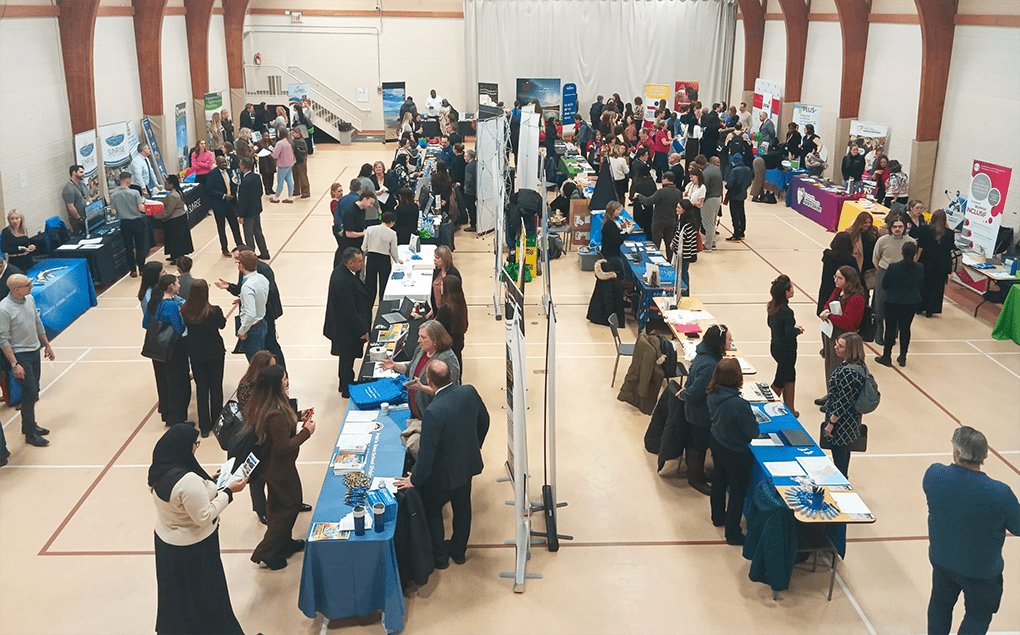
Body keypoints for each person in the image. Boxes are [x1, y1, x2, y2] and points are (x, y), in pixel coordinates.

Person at [149, 424, 247, 635]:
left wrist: (212, 483)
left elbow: (190, 499)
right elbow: (203, 516)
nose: (196, 448)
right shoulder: (189, 481)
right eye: (195, 444)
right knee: (209, 599)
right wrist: (228, 492)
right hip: (195, 549)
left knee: (180, 601)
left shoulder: (161, 470)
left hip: (168, 545)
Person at [924, 426, 1020, 635]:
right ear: (985, 456)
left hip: (943, 561)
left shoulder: (934, 475)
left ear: (956, 453)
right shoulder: (1000, 493)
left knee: (940, 605)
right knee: (977, 616)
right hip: (982, 572)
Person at [395, 359, 488, 568]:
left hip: (442, 476)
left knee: (434, 509)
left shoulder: (434, 412)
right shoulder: (469, 392)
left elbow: (427, 454)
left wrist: (415, 479)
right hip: (466, 467)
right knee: (463, 508)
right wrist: (474, 446)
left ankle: (440, 557)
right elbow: (485, 421)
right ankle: (459, 552)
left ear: (429, 380)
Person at [248, 365, 316, 570]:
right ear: (277, 384)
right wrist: (306, 432)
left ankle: (285, 543)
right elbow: (284, 446)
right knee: (288, 507)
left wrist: (297, 415)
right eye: (284, 379)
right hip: (280, 469)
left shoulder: (266, 404)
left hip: (273, 467)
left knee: (278, 505)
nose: (287, 381)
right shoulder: (275, 414)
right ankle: (266, 552)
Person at [0, 273, 55, 447]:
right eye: (27, 284)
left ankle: (28, 425)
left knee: (34, 390)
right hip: (20, 355)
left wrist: (46, 344)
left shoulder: (29, 299)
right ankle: (30, 433)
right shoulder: (4, 309)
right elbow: (3, 339)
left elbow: (37, 322)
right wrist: (14, 364)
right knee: (29, 392)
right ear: (16, 289)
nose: (31, 286)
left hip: (34, 350)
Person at [707, 357, 757, 545]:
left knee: (719, 478)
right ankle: (733, 532)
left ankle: (717, 515)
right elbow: (752, 431)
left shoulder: (713, 393)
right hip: (735, 451)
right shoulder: (738, 405)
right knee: (737, 490)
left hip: (717, 441)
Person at [679, 324, 731, 496]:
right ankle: (695, 478)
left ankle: (697, 472)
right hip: (699, 413)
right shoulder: (710, 365)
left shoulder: (706, 356)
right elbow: (695, 391)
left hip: (699, 410)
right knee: (698, 445)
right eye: (729, 339)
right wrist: (685, 394)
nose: (732, 341)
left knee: (698, 443)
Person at [380, 320, 461, 419]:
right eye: (419, 336)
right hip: (416, 411)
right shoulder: (421, 349)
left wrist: (421, 387)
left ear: (435, 341)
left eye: (423, 337)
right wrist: (394, 365)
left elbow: (448, 392)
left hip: (435, 416)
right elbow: (410, 368)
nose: (419, 340)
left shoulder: (447, 359)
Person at [323, 247, 371, 397]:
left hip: (343, 325)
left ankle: (345, 382)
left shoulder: (343, 272)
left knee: (346, 357)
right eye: (360, 261)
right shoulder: (343, 280)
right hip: (345, 328)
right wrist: (363, 330)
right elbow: (349, 310)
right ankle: (346, 387)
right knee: (347, 357)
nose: (362, 264)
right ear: (350, 263)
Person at [181, 280, 226, 437]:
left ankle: (204, 426)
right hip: (215, 352)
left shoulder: (185, 311)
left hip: (196, 354)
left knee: (201, 388)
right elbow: (222, 325)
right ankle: (217, 421)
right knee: (216, 387)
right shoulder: (213, 311)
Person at [144, 274, 190, 425]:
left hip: (156, 349)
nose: (179, 285)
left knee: (162, 382)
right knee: (177, 383)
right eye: (177, 283)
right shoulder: (170, 305)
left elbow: (145, 323)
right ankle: (177, 418)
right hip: (172, 349)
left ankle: (166, 413)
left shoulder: (153, 301)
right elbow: (179, 328)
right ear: (171, 286)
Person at [822, 332, 867, 477]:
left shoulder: (848, 373)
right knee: (844, 451)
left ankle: (841, 481)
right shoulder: (858, 365)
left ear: (850, 350)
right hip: (851, 420)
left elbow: (843, 401)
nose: (836, 347)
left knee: (840, 454)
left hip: (842, 423)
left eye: (840, 346)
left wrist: (831, 423)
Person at [818, 266, 866, 400]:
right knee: (829, 364)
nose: (836, 280)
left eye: (839, 278)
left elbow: (847, 321)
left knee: (837, 367)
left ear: (849, 280)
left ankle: (837, 398)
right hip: (830, 332)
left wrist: (829, 316)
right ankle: (830, 394)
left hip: (844, 336)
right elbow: (827, 304)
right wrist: (826, 311)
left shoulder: (856, 298)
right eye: (835, 277)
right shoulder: (838, 290)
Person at [875, 241, 923, 368]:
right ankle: (903, 356)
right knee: (905, 329)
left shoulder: (893, 267)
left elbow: (884, 284)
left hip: (892, 301)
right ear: (914, 254)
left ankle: (886, 356)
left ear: (901, 252)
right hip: (911, 302)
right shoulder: (920, 267)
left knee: (890, 329)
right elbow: (921, 283)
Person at [872, 212, 916, 345]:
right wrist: (883, 269)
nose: (897, 229)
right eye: (895, 226)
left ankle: (892, 334)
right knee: (880, 304)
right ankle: (878, 333)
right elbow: (876, 258)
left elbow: (912, 260)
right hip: (884, 273)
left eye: (900, 226)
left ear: (905, 227)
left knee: (898, 305)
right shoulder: (882, 240)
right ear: (890, 227)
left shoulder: (911, 242)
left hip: (902, 276)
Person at [767, 275, 805, 417]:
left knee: (790, 376)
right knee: (780, 380)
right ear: (786, 292)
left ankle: (790, 409)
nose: (793, 289)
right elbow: (789, 333)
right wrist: (797, 330)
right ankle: (768, 403)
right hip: (787, 350)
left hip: (775, 346)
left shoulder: (772, 306)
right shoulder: (787, 312)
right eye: (791, 287)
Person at [633, 171, 681, 261]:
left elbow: (648, 201)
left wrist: (639, 196)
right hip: (671, 221)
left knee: (656, 244)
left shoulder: (661, 192)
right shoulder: (678, 192)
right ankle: (670, 262)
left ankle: (655, 261)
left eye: (663, 178)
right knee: (669, 243)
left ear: (667, 180)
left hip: (659, 221)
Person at [917, 209, 956, 317]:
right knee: (937, 287)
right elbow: (950, 248)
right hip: (942, 263)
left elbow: (920, 247)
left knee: (923, 285)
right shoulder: (950, 233)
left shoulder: (924, 229)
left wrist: (916, 261)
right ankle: (931, 310)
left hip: (926, 261)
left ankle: (920, 307)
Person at [107, 173, 148, 276]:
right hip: (137, 222)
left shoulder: (114, 195)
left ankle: (133, 270)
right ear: (128, 181)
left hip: (125, 223)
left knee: (128, 247)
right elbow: (140, 208)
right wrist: (144, 204)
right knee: (140, 247)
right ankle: (142, 269)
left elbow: (113, 212)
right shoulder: (135, 193)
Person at [234, 250, 269, 361]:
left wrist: (241, 331)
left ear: (242, 266)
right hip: (262, 323)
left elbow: (250, 314)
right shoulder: (262, 279)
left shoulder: (247, 287)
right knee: (261, 360)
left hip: (252, 329)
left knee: (255, 364)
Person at [206, 154, 244, 257]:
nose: (224, 164)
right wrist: (223, 196)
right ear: (217, 164)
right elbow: (210, 190)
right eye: (222, 163)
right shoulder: (212, 174)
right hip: (219, 205)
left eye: (225, 162)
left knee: (235, 226)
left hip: (230, 204)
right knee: (221, 228)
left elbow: (232, 184)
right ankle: (224, 248)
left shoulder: (228, 172)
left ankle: (240, 245)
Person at [362, 212, 402, 307]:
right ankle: (382, 306)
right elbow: (393, 250)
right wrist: (397, 260)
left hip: (371, 258)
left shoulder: (370, 229)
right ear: (391, 222)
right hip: (384, 260)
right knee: (384, 285)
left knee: (370, 284)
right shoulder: (392, 233)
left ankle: (368, 307)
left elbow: (363, 247)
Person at [236, 157, 270, 260]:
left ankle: (251, 257)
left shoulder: (245, 181)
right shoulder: (256, 177)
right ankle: (264, 252)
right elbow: (260, 192)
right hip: (256, 210)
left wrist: (241, 215)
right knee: (258, 232)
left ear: (243, 166)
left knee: (249, 235)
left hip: (248, 213)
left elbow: (243, 200)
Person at [817, 232, 859, 315]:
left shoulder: (827, 255)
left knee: (825, 311)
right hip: (843, 289)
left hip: (827, 286)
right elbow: (856, 275)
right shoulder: (851, 260)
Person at [156, 174, 194, 262]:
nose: (165, 186)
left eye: (166, 184)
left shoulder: (173, 196)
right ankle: (174, 255)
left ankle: (177, 257)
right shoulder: (177, 192)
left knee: (176, 240)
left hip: (175, 220)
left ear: (171, 185)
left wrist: (155, 215)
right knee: (176, 239)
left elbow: (168, 212)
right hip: (180, 218)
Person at [435, 274, 468, 369]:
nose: (440, 287)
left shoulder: (445, 309)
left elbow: (438, 330)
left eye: (442, 285)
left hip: (446, 350)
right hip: (457, 346)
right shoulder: (460, 304)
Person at [846, 212, 880, 296]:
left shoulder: (874, 232)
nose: (868, 225)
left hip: (870, 266)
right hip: (857, 265)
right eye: (865, 223)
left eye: (869, 222)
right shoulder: (850, 233)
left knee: (866, 290)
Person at [669, 200, 698, 297]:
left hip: (683, 253)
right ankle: (684, 293)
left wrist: (673, 243)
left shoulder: (684, 223)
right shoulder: (691, 221)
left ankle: (685, 294)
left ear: (684, 210)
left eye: (679, 208)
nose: (676, 209)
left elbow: (680, 236)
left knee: (682, 274)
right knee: (684, 272)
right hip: (688, 252)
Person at [725, 154, 753, 241]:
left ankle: (736, 233)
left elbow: (729, 184)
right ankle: (742, 232)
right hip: (742, 195)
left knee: (734, 214)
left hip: (734, 196)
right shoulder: (748, 170)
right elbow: (749, 182)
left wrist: (727, 186)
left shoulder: (734, 171)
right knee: (741, 213)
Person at [62, 164, 90, 234]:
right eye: (81, 172)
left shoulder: (82, 184)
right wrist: (79, 219)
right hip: (77, 221)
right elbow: (70, 207)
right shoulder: (68, 189)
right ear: (74, 173)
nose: (83, 174)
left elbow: (87, 197)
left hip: (87, 216)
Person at [269, 130, 295, 204]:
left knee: (280, 181)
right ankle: (290, 197)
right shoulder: (289, 142)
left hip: (283, 164)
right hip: (290, 163)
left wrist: (270, 154)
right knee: (289, 180)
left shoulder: (280, 143)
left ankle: (276, 197)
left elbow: (275, 155)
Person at [256, 131, 276, 195]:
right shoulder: (259, 143)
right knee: (265, 177)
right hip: (264, 162)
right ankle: (266, 189)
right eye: (265, 136)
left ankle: (271, 188)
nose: (267, 137)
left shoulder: (271, 142)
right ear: (262, 137)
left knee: (271, 176)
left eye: (268, 136)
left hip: (271, 162)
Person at [463, 149, 478, 232]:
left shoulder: (468, 167)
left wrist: (466, 188)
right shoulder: (476, 164)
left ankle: (473, 225)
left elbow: (468, 180)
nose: (464, 158)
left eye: (465, 156)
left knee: (470, 208)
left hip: (469, 191)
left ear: (469, 157)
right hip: (476, 190)